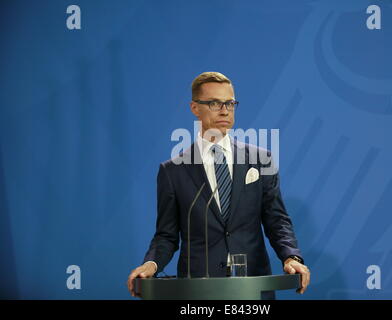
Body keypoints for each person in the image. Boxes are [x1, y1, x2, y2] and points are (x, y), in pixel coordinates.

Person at [127, 72, 310, 298]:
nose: (225, 110)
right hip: (198, 290)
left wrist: (292, 257)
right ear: (195, 108)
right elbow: (166, 235)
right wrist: (151, 264)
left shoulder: (261, 160)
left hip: (251, 287)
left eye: (230, 103)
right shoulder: (173, 171)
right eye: (215, 103)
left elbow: (276, 219)